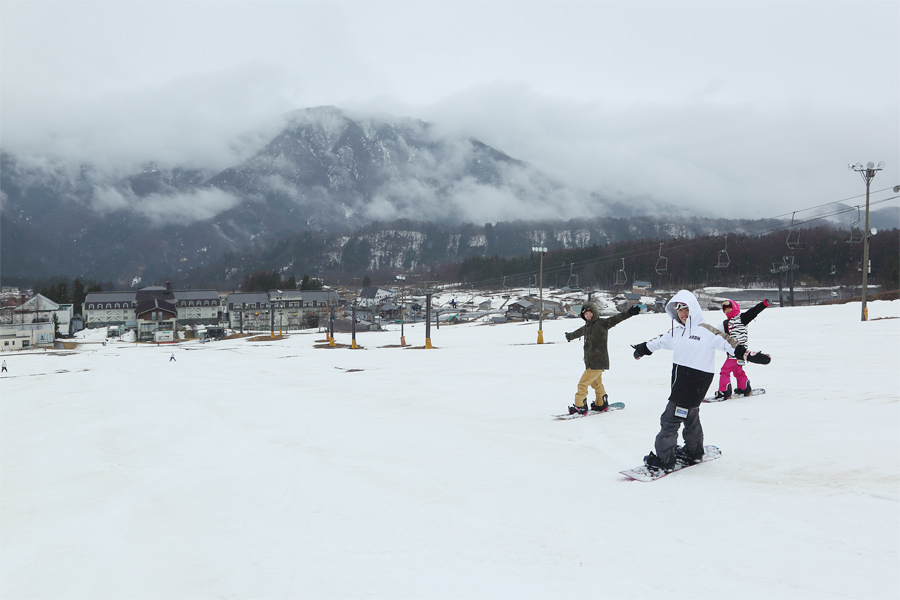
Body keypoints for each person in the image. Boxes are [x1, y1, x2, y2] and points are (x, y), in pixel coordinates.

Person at [631, 290, 771, 473]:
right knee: (690, 415)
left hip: (692, 382)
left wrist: (748, 354)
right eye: (679, 310)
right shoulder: (676, 332)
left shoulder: (706, 330)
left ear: (694, 309)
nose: (682, 313)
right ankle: (693, 451)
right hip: (686, 381)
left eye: (686, 309)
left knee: (670, 420)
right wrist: (643, 349)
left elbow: (728, 342)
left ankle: (665, 460)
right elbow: (658, 341)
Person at [564, 301, 641, 414]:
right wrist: (570, 336)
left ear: (594, 312)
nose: (588, 316)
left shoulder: (602, 323)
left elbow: (617, 318)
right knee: (596, 383)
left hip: (598, 361)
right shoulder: (587, 327)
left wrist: (629, 313)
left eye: (590, 313)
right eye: (586, 315)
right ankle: (601, 403)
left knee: (582, 384)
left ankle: (580, 406)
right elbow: (578, 332)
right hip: (591, 362)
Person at [714, 298, 770, 399]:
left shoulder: (742, 318)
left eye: (729, 308)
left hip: (737, 352)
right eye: (725, 310)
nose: (727, 311)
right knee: (737, 371)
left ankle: (724, 391)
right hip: (734, 353)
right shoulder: (726, 323)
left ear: (734, 307)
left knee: (725, 371)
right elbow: (716, 332)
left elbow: (754, 311)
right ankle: (744, 388)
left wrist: (764, 304)